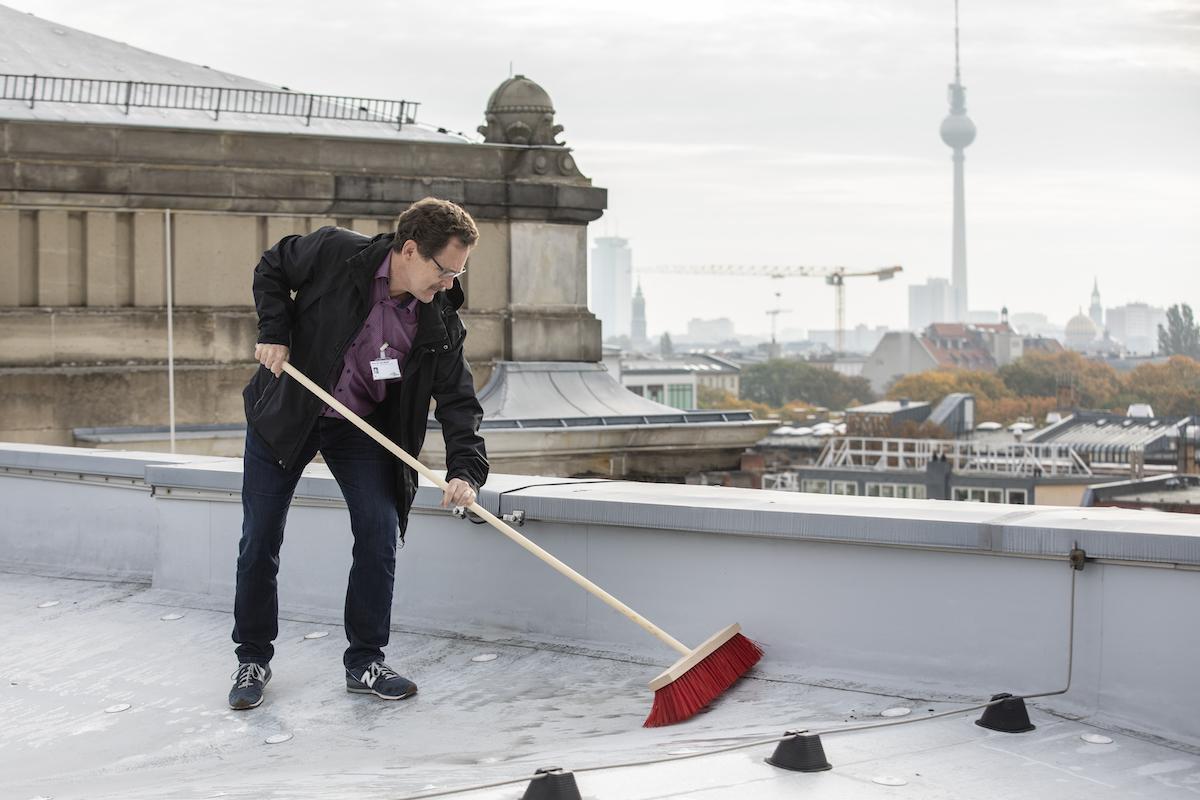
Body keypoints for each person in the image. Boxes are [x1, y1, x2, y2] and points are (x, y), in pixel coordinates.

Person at [228, 198, 489, 710]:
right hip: (288, 412)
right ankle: (252, 658)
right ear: (410, 250)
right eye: (446, 271)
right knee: (260, 537)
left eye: (461, 272)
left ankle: (365, 660)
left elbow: (459, 401)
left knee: (379, 530)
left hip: (362, 428)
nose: (451, 284)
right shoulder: (334, 251)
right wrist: (274, 332)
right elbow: (272, 266)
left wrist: (465, 471)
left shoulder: (440, 321)